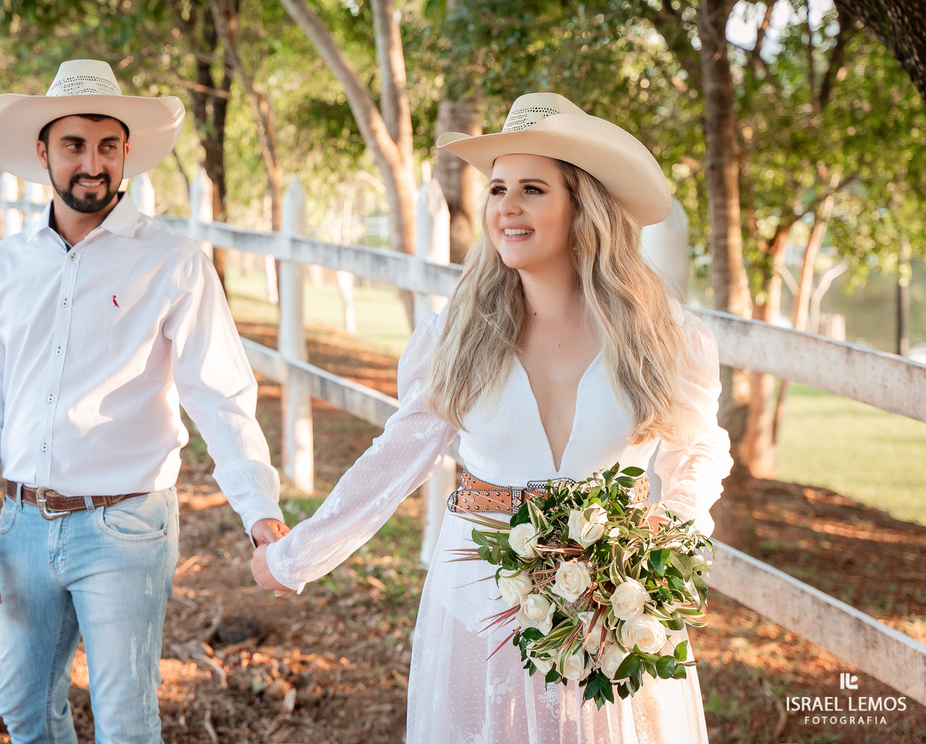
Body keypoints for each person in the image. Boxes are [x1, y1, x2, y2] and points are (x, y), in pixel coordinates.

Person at [251, 93, 732, 743]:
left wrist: (658, 541)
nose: (505, 205)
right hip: (478, 598)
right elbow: (395, 460)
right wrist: (296, 557)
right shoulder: (456, 335)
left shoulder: (662, 336)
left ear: (582, 206)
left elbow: (697, 450)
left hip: (613, 604)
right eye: (497, 187)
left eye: (532, 188)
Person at [0, 59, 288, 744]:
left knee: (126, 725)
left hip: (124, 527)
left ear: (127, 152)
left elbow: (219, 394)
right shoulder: (7, 266)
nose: (92, 164)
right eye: (74, 145)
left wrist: (261, 511)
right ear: (43, 152)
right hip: (20, 526)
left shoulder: (172, 262)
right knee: (25, 713)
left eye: (107, 146)